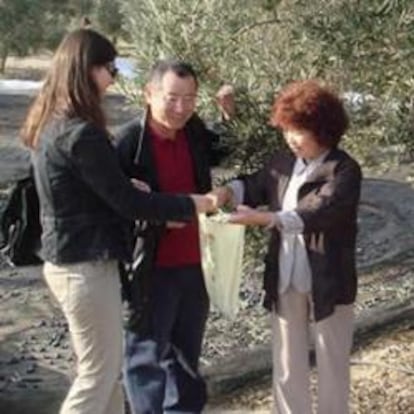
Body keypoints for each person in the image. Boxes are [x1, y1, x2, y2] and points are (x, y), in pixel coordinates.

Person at [20, 29, 216, 414]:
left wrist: (124, 186)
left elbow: (87, 189)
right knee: (97, 376)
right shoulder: (81, 133)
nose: (113, 77)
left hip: (76, 264)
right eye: (110, 68)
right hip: (84, 268)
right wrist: (194, 204)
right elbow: (126, 204)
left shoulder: (56, 124)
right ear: (87, 70)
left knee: (105, 375)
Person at [214, 79, 362, 414]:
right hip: (285, 276)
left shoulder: (344, 169)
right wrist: (227, 192)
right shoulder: (282, 162)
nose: (291, 138)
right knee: (286, 362)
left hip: (330, 281)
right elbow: (254, 185)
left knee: (332, 364)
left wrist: (266, 220)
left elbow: (319, 212)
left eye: (300, 130)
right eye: (287, 129)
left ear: (323, 130)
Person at [115, 59, 233, 414]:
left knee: (185, 358)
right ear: (148, 94)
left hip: (195, 263)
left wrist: (228, 116)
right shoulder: (129, 142)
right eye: (171, 98)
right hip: (151, 267)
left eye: (190, 98)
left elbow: (224, 148)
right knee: (145, 359)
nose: (181, 108)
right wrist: (157, 219)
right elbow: (113, 206)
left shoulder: (193, 132)